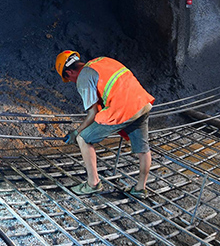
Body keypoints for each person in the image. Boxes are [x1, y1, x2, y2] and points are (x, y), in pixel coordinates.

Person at [55, 50, 155, 196]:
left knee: (83, 138)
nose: (71, 82)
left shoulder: (84, 77)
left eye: (68, 79)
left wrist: (76, 132)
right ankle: (140, 188)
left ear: (69, 72)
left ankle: (93, 183)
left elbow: (92, 113)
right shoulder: (102, 60)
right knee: (143, 149)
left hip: (123, 109)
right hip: (142, 102)